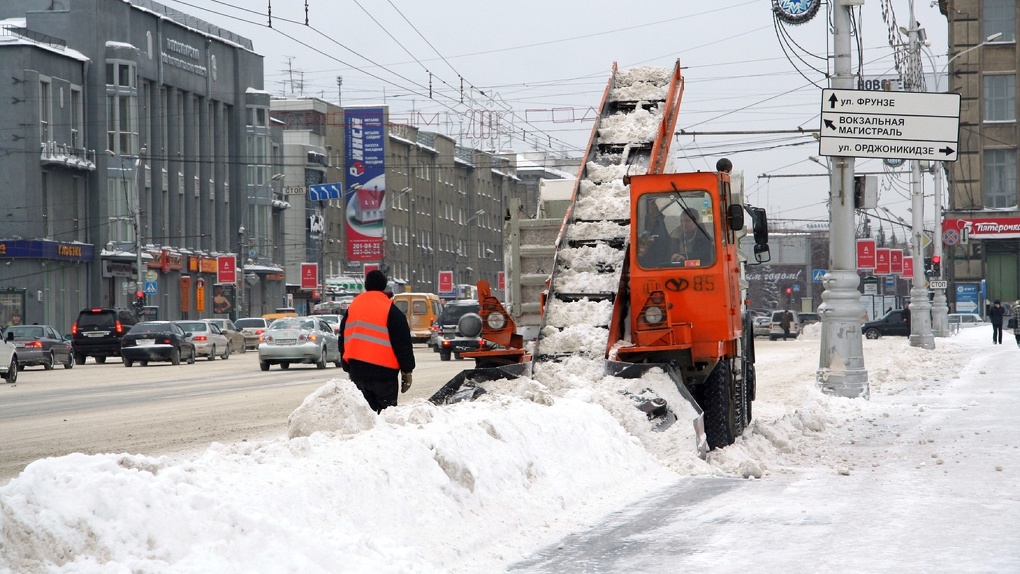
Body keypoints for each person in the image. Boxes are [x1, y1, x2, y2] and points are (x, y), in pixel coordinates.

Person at [338, 270, 415, 413]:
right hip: (384, 374)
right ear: (384, 286)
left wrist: (346, 365)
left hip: (358, 371)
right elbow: (402, 342)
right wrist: (407, 370)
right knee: (386, 416)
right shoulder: (391, 310)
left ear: (366, 285)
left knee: (364, 416)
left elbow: (343, 336)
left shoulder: (353, 307)